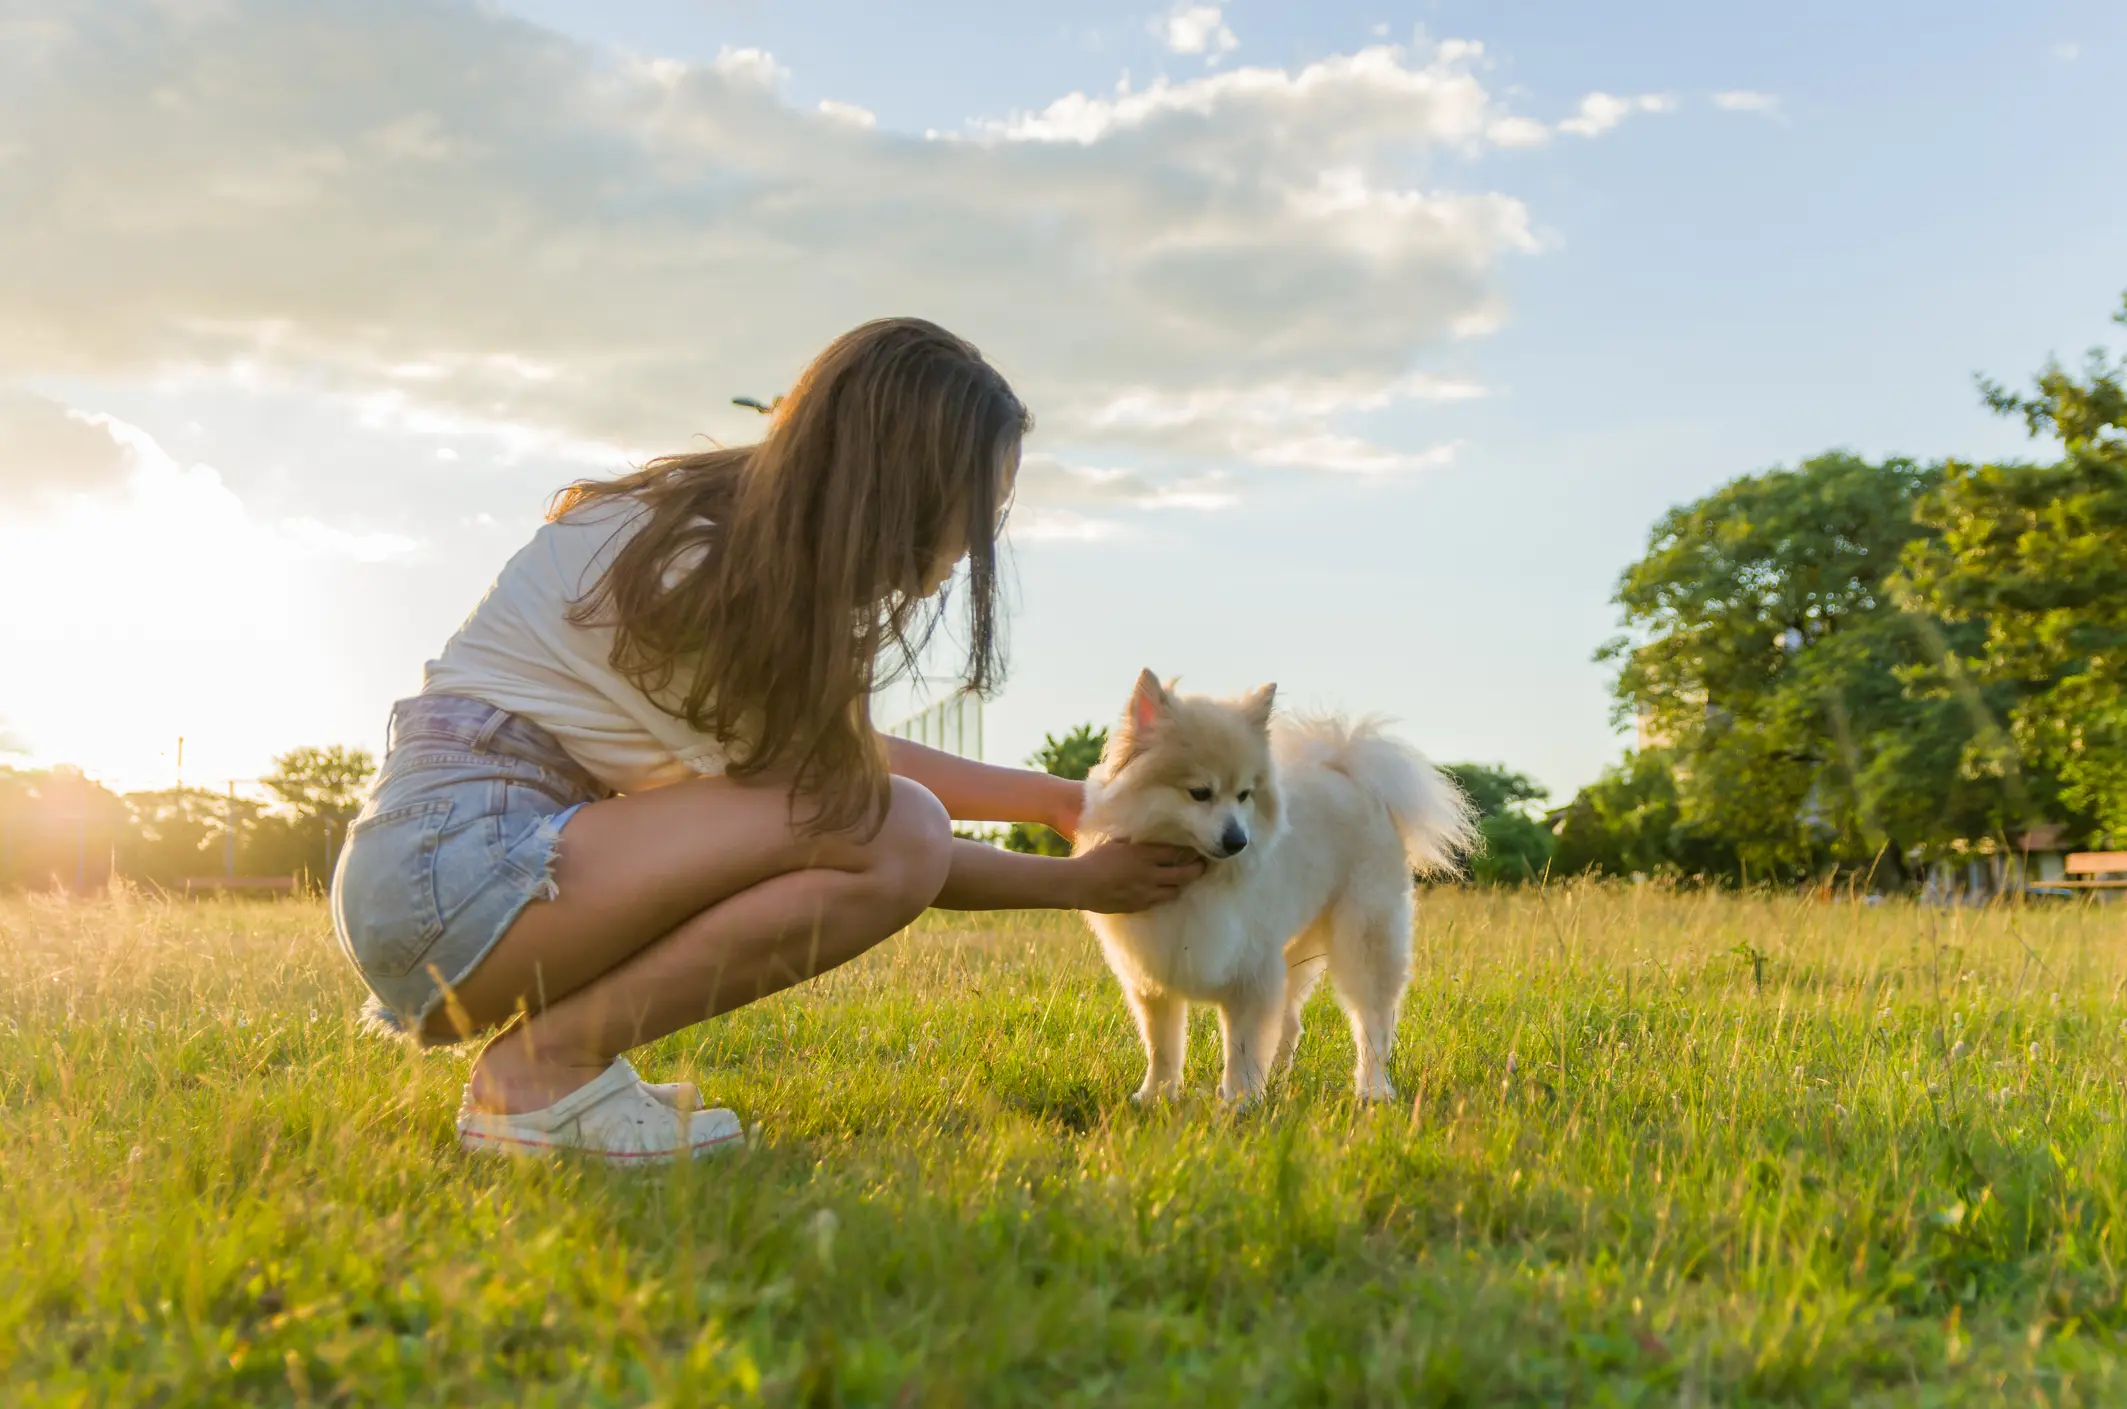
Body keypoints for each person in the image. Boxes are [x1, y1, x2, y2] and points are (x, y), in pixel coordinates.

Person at [329, 318, 1202, 1164]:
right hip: (455, 875)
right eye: (986, 506)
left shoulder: (712, 534)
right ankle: (538, 1075)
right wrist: (1077, 883)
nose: (981, 541)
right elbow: (861, 813)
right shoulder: (705, 572)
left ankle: (562, 1067)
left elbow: (838, 763)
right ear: (912, 486)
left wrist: (1056, 801)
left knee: (888, 820)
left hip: (446, 873)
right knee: (897, 832)